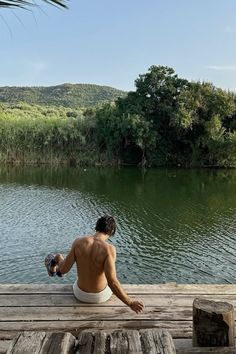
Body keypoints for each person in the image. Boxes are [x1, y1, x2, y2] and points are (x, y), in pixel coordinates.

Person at [45, 215, 144, 313]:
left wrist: (60, 262)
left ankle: (56, 259)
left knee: (62, 265)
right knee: (113, 281)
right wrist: (130, 302)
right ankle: (57, 259)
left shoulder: (78, 242)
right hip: (100, 296)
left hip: (80, 294)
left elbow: (64, 270)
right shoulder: (109, 249)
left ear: (97, 226)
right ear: (112, 232)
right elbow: (112, 282)